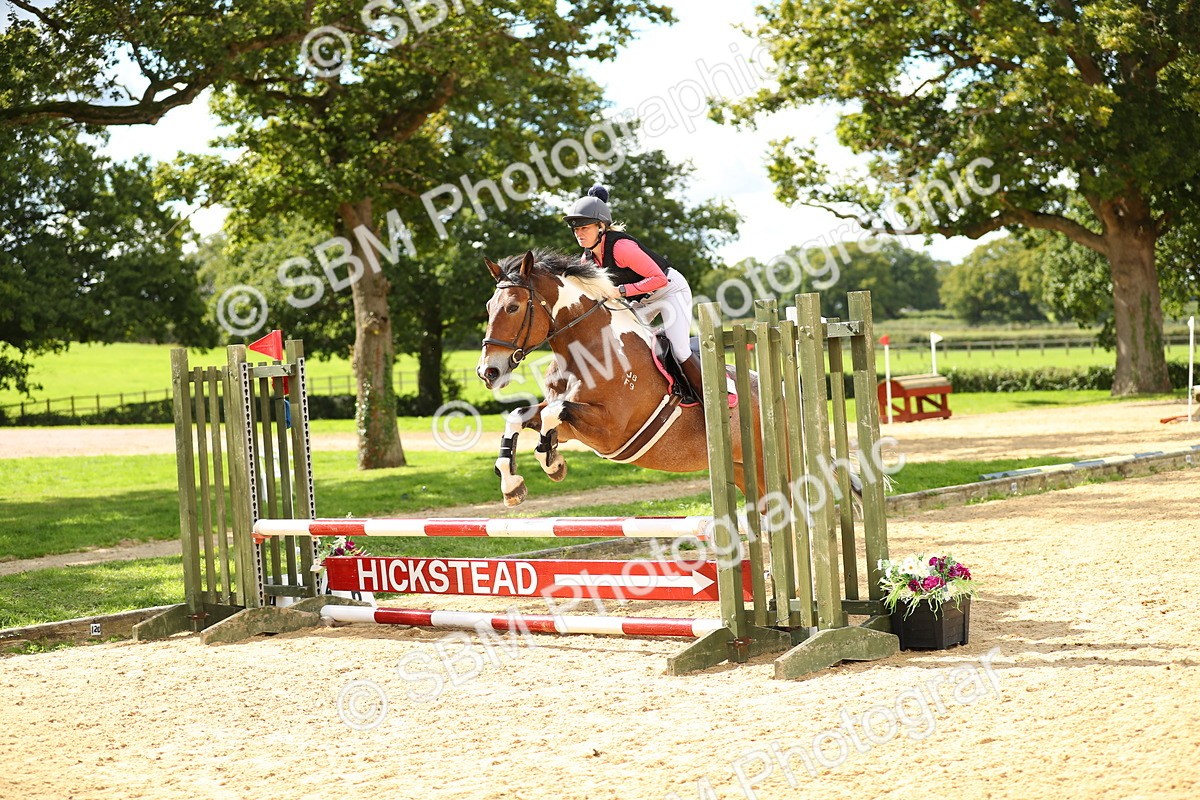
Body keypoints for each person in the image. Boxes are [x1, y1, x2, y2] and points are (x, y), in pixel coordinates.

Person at [563, 185, 706, 405]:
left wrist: (620, 291)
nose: (579, 234)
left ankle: (708, 396)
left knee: (679, 348)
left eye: (585, 228)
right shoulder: (587, 261)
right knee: (620, 342)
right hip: (642, 301)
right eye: (576, 229)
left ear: (601, 227)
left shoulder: (622, 248)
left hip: (670, 291)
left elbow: (659, 279)